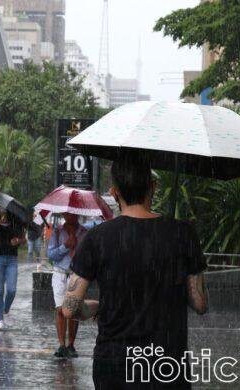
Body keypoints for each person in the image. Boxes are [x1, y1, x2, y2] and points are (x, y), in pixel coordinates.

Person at [63, 156, 208, 389]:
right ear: (153, 187)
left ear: (114, 192)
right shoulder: (183, 234)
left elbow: (69, 309)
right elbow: (200, 304)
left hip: (115, 364)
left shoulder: (97, 238)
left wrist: (98, 306)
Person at [47, 212, 88, 358]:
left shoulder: (85, 232)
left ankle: (71, 344)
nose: (70, 216)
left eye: (73, 214)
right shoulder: (57, 231)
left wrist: (78, 252)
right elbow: (51, 255)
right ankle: (61, 345)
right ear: (64, 214)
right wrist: (66, 246)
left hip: (76, 275)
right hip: (59, 273)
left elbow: (90, 254)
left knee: (73, 311)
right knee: (60, 310)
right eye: (67, 214)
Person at [0, 208, 26, 331]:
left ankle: (5, 311)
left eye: (3, 207)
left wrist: (18, 241)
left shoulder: (15, 222)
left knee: (12, 289)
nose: (1, 209)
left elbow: (24, 240)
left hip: (11, 259)